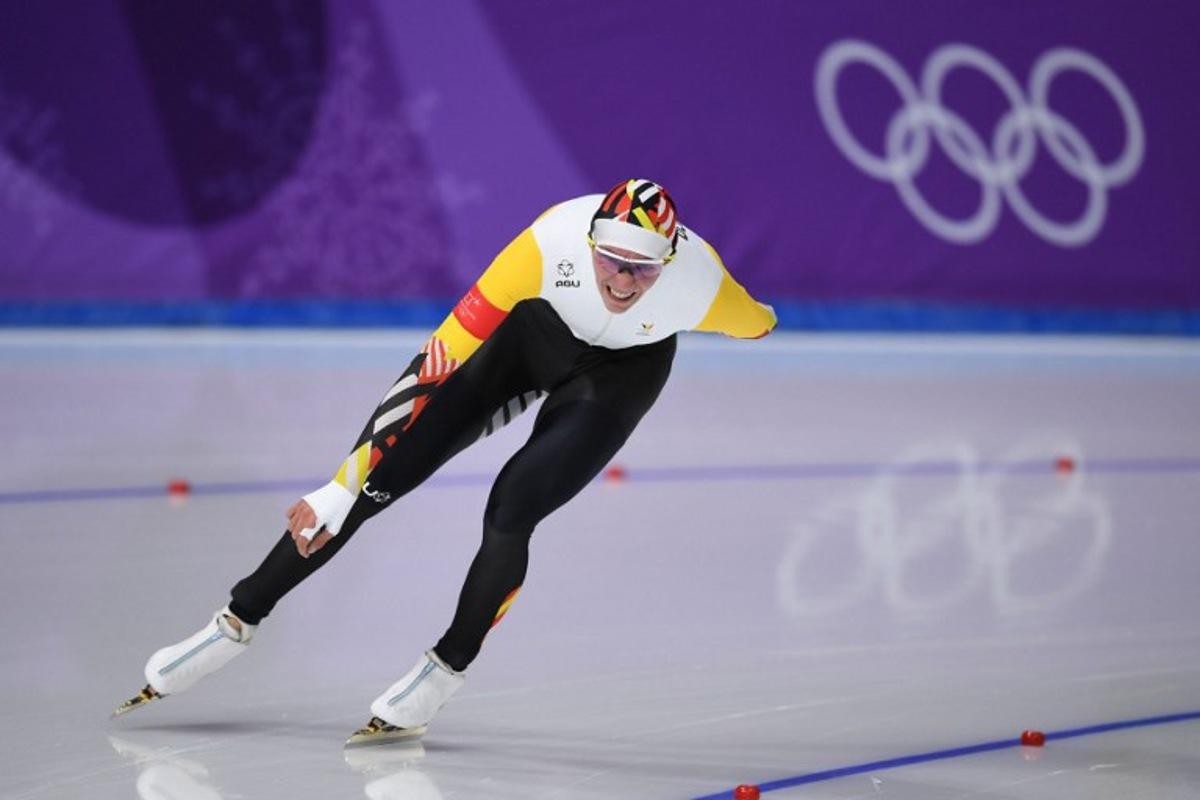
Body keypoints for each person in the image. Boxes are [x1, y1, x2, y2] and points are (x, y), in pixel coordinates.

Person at [114, 179, 776, 743]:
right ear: (590, 243)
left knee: (512, 509)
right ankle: (234, 621)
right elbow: (437, 358)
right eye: (612, 261)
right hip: (528, 341)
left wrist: (761, 319)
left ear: (672, 259)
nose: (625, 282)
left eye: (644, 269)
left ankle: (445, 668)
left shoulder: (702, 285)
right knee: (374, 481)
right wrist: (344, 481)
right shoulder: (546, 244)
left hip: (617, 378)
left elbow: (760, 321)